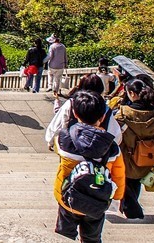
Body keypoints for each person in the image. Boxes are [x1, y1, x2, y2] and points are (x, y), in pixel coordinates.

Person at [53, 90, 125, 243]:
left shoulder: (64, 138)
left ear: (75, 113)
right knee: (92, 237)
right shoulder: (112, 148)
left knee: (63, 234)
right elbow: (119, 173)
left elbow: (56, 148)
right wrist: (117, 197)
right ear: (103, 117)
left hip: (68, 196)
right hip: (98, 199)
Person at [115, 79, 154, 220]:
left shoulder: (123, 113)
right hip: (149, 156)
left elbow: (114, 134)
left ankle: (133, 211)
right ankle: (130, 209)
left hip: (126, 157)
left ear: (132, 93)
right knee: (136, 182)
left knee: (126, 183)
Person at [44, 74, 123, 147]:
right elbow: (116, 134)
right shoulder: (105, 108)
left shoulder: (72, 103)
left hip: (72, 147)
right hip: (97, 150)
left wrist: (51, 141)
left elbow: (59, 124)